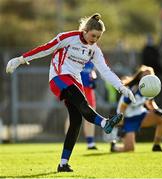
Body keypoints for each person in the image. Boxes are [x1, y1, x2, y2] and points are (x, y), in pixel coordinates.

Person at [6, 13, 136, 172]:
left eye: (98, 37)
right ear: (85, 31)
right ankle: (104, 123)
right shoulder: (68, 37)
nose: (95, 39)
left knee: (76, 120)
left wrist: (122, 88)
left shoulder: (94, 49)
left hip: (75, 81)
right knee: (83, 103)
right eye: (93, 35)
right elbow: (46, 48)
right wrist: (20, 59)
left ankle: (63, 164)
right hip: (58, 77)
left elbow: (105, 71)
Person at [110, 65, 162, 153]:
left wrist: (156, 109)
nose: (147, 78)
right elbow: (123, 107)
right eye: (145, 75)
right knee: (129, 149)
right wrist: (120, 124)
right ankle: (114, 147)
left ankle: (156, 146)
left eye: (149, 75)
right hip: (127, 119)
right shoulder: (133, 90)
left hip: (140, 115)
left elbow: (150, 102)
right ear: (140, 77)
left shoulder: (149, 89)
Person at [65, 61, 98, 150]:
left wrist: (93, 77)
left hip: (89, 90)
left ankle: (90, 143)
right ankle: (68, 141)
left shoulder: (92, 54)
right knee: (72, 115)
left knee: (91, 114)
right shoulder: (75, 53)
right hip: (77, 88)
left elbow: (92, 70)